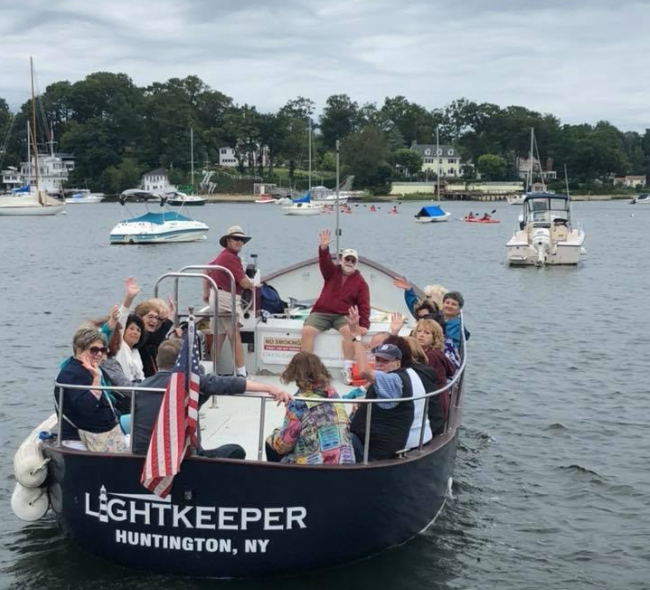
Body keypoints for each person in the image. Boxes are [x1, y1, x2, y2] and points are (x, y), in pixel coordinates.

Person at [132, 339, 292, 456]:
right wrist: (271, 388)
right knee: (236, 451)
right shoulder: (194, 383)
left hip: (142, 459)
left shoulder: (137, 388)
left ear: (158, 360)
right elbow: (231, 383)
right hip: (185, 461)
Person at [345, 307, 415, 462]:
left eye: (385, 360)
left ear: (398, 362)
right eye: (377, 360)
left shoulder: (395, 379)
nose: (379, 364)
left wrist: (356, 336)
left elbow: (364, 372)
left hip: (372, 457)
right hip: (364, 443)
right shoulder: (392, 376)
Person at [301, 229, 370, 381]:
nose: (349, 263)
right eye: (347, 259)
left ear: (356, 264)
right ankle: (306, 371)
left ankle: (347, 369)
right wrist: (324, 248)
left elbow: (364, 305)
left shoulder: (361, 283)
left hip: (343, 316)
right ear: (341, 260)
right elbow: (324, 262)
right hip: (322, 312)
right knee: (307, 330)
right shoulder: (331, 272)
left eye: (353, 261)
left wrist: (364, 324)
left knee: (350, 332)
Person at [265, 352, 355, 465]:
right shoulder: (333, 394)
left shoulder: (298, 403)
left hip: (313, 467)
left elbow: (283, 446)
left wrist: (276, 433)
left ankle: (278, 480)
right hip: (345, 462)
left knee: (271, 442)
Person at [55, 327, 125, 450]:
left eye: (102, 350)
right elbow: (85, 408)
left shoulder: (90, 369)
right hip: (81, 439)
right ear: (79, 350)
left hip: (102, 434)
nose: (99, 354)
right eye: (94, 350)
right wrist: (97, 380)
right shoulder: (71, 374)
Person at [202, 225, 254, 377]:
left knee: (218, 337)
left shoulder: (222, 255)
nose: (239, 242)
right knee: (234, 337)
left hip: (216, 297)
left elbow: (205, 269)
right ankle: (242, 373)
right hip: (226, 300)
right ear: (228, 241)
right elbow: (244, 282)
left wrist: (206, 293)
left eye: (242, 240)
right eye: (236, 239)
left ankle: (212, 372)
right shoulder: (231, 258)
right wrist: (254, 284)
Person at [135, 297, 176, 377]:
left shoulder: (157, 338)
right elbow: (153, 339)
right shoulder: (141, 338)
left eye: (157, 318)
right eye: (162, 320)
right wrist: (170, 320)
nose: (155, 322)